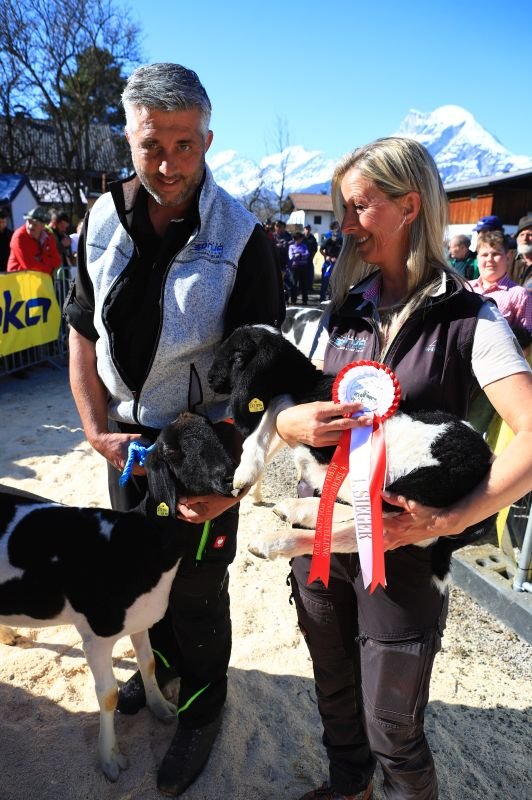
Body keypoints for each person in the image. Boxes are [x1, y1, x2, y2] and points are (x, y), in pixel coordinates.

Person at [274, 137, 532, 800]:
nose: (346, 224)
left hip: (401, 555)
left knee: (392, 724)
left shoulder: (470, 318)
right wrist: (286, 423)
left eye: (359, 207)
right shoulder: (343, 308)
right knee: (334, 694)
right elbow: (297, 402)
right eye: (343, 209)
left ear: (410, 206)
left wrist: (452, 518)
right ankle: (350, 788)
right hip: (321, 542)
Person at [63, 62, 285, 798]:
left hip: (200, 450)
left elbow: (259, 378)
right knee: (136, 572)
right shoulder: (100, 218)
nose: (167, 164)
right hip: (126, 445)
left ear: (208, 140)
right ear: (128, 138)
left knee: (195, 590)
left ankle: (203, 707)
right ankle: (156, 674)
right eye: (151, 145)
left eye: (184, 145)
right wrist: (94, 429)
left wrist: (226, 474)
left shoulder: (243, 237)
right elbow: (81, 332)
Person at [469, 231, 532, 337]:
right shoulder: (466, 288)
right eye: (484, 255)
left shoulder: (519, 294)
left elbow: (526, 339)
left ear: (507, 258)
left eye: (496, 254)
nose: (490, 259)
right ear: (477, 259)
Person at [6, 206, 61, 274]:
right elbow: (29, 266)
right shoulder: (19, 237)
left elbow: (57, 261)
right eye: (29, 222)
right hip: (17, 279)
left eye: (35, 224)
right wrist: (49, 268)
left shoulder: (48, 237)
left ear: (43, 226)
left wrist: (41, 260)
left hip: (40, 278)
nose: (30, 226)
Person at [508, 213, 532, 290]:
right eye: (522, 234)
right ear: (517, 238)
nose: (525, 238)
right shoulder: (507, 257)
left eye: (530, 235)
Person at [319, 226, 342, 302]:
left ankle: (332, 298)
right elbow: (321, 249)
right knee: (325, 281)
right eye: (334, 235)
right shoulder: (328, 240)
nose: (335, 237)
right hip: (328, 264)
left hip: (337, 264)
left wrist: (337, 258)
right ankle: (322, 298)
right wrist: (326, 256)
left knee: (335, 282)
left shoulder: (341, 241)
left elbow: (343, 252)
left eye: (337, 235)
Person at [288, 230, 311, 304]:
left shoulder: (304, 246)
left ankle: (305, 300)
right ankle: (293, 300)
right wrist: (299, 255)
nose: (301, 239)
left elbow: (307, 254)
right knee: (294, 284)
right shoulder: (291, 246)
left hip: (303, 267)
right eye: (300, 238)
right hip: (294, 268)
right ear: (297, 239)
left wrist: (299, 255)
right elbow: (291, 257)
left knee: (304, 283)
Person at [303, 223, 318, 290]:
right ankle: (300, 287)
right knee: (301, 274)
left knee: (310, 273)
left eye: (309, 229)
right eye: (306, 229)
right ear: (304, 229)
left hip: (309, 259)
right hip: (301, 259)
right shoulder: (301, 237)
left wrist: (312, 256)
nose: (307, 230)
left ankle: (309, 287)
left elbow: (315, 249)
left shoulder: (313, 238)